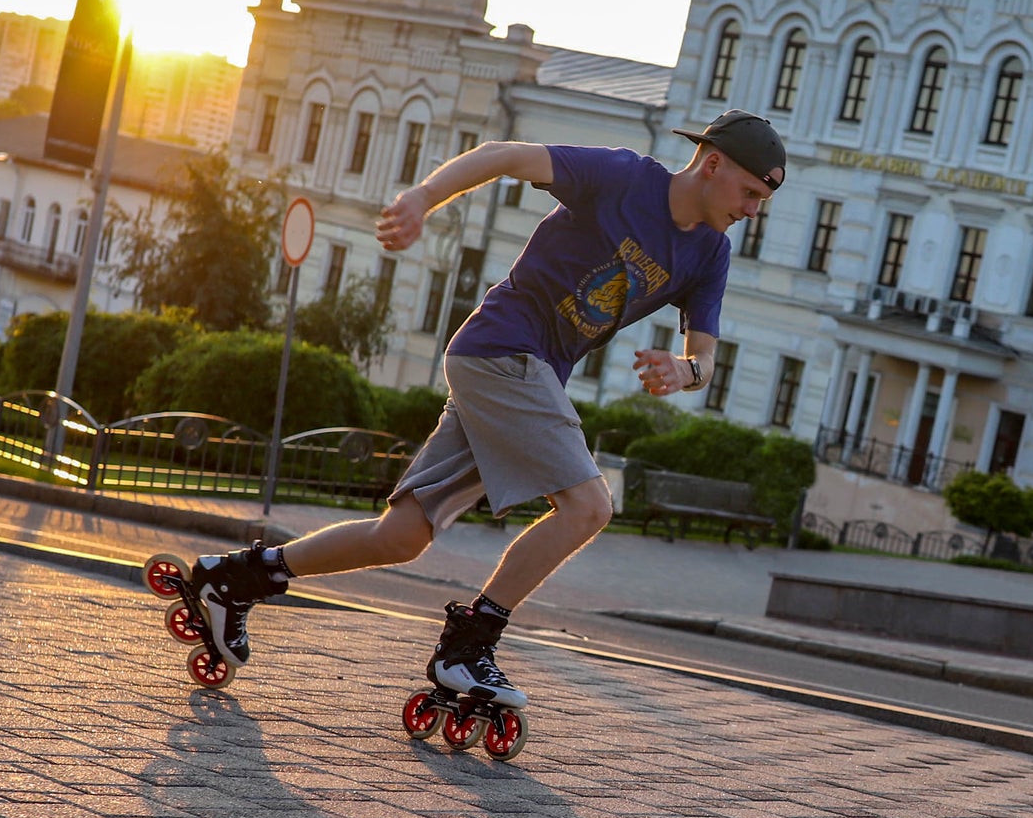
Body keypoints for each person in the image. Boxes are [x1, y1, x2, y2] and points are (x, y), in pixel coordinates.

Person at [180, 108, 786, 708]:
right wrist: (422, 198)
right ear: (711, 165)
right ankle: (468, 646)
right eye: (751, 192)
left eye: (761, 199)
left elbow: (703, 356)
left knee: (402, 536)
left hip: (520, 373)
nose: (752, 210)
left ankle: (235, 578)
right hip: (503, 350)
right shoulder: (624, 178)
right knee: (589, 506)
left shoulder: (710, 254)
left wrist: (684, 371)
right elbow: (505, 154)